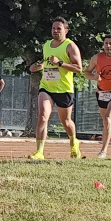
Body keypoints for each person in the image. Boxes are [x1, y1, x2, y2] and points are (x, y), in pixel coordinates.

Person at [29, 17, 83, 161]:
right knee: (42, 117)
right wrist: (38, 66)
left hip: (64, 89)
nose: (55, 31)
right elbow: (46, 62)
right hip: (46, 87)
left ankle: (74, 142)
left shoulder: (70, 46)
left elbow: (79, 68)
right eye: (53, 28)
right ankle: (39, 152)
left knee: (66, 121)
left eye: (59, 29)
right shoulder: (47, 45)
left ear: (66, 31)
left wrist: (60, 63)